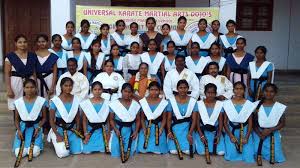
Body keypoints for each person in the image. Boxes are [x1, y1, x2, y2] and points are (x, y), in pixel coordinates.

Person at [13, 79, 47, 163]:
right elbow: (16, 119)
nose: (29, 89)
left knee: (33, 153)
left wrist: (39, 127)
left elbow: (44, 118)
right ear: (24, 89)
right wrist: (19, 130)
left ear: (36, 88)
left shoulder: (41, 101)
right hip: (23, 128)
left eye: (32, 87)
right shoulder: (18, 102)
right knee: (19, 153)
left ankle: (40, 137)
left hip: (35, 128)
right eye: (27, 87)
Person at [223, 82, 257, 163]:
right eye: (236, 89)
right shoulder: (227, 103)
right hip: (231, 131)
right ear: (233, 90)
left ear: (244, 90)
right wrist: (231, 136)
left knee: (248, 156)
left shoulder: (249, 104)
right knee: (230, 155)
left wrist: (247, 137)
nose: (238, 91)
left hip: (244, 130)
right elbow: (225, 122)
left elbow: (250, 123)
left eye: (241, 89)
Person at [48, 77, 83, 158]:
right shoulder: (55, 101)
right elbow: (51, 120)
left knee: (78, 151)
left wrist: (77, 129)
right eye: (66, 85)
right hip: (59, 129)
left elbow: (77, 116)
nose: (68, 88)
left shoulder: (76, 99)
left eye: (70, 85)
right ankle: (54, 139)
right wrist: (57, 135)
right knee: (63, 153)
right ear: (61, 86)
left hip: (72, 129)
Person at [5, 34, 37, 119]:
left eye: (24, 42)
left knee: (29, 102)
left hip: (29, 81)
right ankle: (17, 125)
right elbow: (7, 74)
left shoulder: (32, 56)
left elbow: (34, 72)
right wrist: (9, 89)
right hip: (16, 82)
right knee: (16, 103)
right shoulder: (10, 57)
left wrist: (36, 85)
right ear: (15, 43)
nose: (22, 44)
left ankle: (28, 123)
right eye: (20, 42)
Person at [253, 84, 286, 165]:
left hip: (273, 132)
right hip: (259, 132)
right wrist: (260, 134)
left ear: (275, 93)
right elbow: (253, 123)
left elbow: (282, 123)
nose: (268, 93)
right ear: (263, 92)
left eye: (271, 91)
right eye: (266, 91)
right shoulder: (256, 105)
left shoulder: (279, 106)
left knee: (277, 156)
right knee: (255, 150)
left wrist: (270, 130)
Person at [109, 83, 141, 162]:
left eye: (129, 92)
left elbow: (137, 120)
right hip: (118, 129)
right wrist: (116, 130)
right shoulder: (114, 104)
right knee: (115, 151)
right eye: (125, 91)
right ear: (121, 91)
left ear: (132, 93)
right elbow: (111, 119)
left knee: (131, 151)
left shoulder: (135, 104)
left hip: (131, 129)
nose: (127, 94)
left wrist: (136, 131)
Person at [166, 80, 198, 157]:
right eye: (180, 88)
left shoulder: (193, 101)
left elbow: (194, 119)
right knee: (173, 151)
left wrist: (190, 133)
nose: (183, 90)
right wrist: (169, 131)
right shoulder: (171, 101)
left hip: (188, 128)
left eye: (185, 88)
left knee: (188, 151)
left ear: (188, 88)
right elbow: (169, 118)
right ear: (177, 89)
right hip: (175, 128)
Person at [137, 81, 168, 154]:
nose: (154, 92)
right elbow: (142, 118)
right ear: (148, 90)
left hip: (159, 126)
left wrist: (161, 129)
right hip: (147, 125)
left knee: (159, 149)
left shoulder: (164, 102)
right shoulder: (143, 101)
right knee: (142, 149)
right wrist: (144, 129)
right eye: (152, 90)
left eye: (156, 90)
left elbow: (164, 119)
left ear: (160, 91)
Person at [194, 83, 225, 156]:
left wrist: (219, 135)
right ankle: (198, 139)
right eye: (208, 93)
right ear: (205, 93)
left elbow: (220, 122)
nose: (210, 95)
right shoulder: (199, 104)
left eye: (213, 93)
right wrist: (201, 135)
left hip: (215, 132)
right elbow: (197, 122)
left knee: (221, 153)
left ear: (216, 93)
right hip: (202, 131)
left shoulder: (220, 104)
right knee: (202, 152)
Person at [80, 82, 110, 154]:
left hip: (102, 130)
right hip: (91, 130)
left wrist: (108, 132)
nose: (97, 92)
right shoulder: (86, 103)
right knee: (86, 151)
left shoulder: (107, 103)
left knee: (104, 149)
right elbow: (84, 120)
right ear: (92, 90)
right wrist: (85, 133)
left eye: (99, 89)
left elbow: (108, 120)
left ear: (102, 90)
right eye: (95, 89)